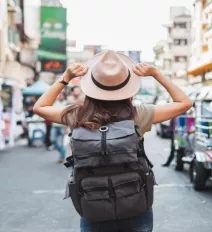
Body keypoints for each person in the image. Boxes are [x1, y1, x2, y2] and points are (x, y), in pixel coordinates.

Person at [33, 50, 192, 232]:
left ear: (91, 86)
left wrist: (65, 77)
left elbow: (40, 107)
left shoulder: (77, 115)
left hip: (93, 205)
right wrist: (156, 74)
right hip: (135, 203)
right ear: (127, 87)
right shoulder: (138, 114)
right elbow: (184, 103)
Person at [50, 92, 67, 163]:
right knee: (53, 140)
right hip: (55, 125)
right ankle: (62, 151)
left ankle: (61, 157)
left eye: (61, 95)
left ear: (64, 96)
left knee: (62, 142)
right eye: (59, 95)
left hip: (62, 126)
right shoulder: (55, 103)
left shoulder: (66, 103)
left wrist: (67, 126)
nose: (60, 96)